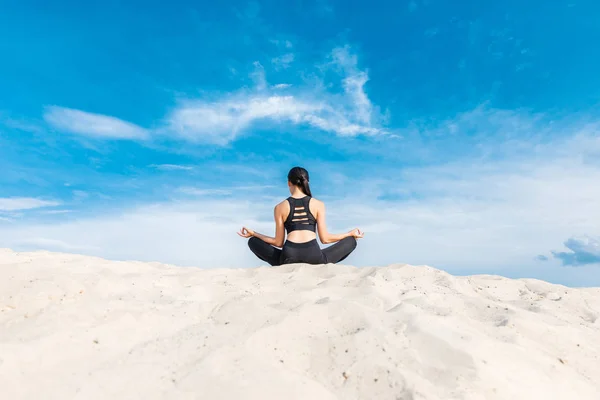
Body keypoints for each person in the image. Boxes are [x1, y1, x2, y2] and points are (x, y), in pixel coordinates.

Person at [238, 166, 364, 266]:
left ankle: (281, 262)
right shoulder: (318, 204)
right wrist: (349, 234)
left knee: (253, 242)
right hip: (314, 256)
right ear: (307, 182)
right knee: (351, 241)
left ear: (288, 183)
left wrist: (254, 234)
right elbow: (325, 239)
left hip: (289, 256)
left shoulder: (280, 207)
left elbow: (278, 242)